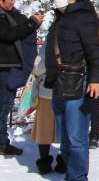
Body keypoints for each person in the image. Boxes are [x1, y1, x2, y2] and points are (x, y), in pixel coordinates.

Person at [44, 0, 99, 181]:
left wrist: (96, 79)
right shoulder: (59, 18)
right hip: (59, 82)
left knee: (76, 136)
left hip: (77, 80)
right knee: (64, 136)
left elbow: (94, 50)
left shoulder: (83, 18)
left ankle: (78, 177)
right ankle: (72, 174)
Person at [0, 0, 44, 156]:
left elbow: (21, 28)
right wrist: (31, 24)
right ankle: (2, 143)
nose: (13, 2)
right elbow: (9, 34)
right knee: (3, 107)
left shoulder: (12, 15)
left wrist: (33, 22)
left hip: (10, 67)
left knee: (5, 106)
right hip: (3, 68)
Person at [31, 42, 59, 174]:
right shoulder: (77, 33)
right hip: (71, 89)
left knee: (44, 129)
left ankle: (44, 163)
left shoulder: (51, 38)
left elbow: (39, 66)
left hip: (47, 91)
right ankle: (64, 161)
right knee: (66, 127)